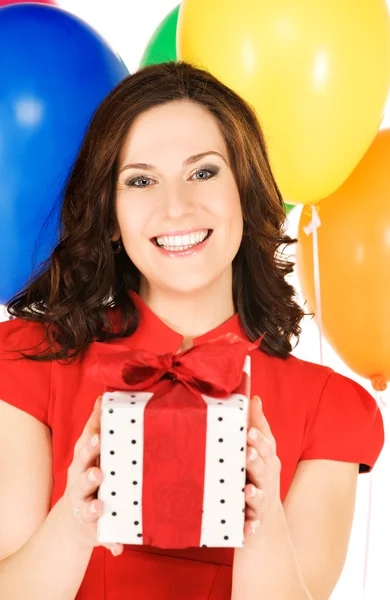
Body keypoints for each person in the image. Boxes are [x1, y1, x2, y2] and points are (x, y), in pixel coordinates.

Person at [0, 60, 384, 600]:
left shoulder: (331, 409)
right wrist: (74, 519)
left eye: (203, 172)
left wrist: (263, 518)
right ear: (111, 215)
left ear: (244, 193)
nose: (176, 206)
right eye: (140, 180)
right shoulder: (26, 363)